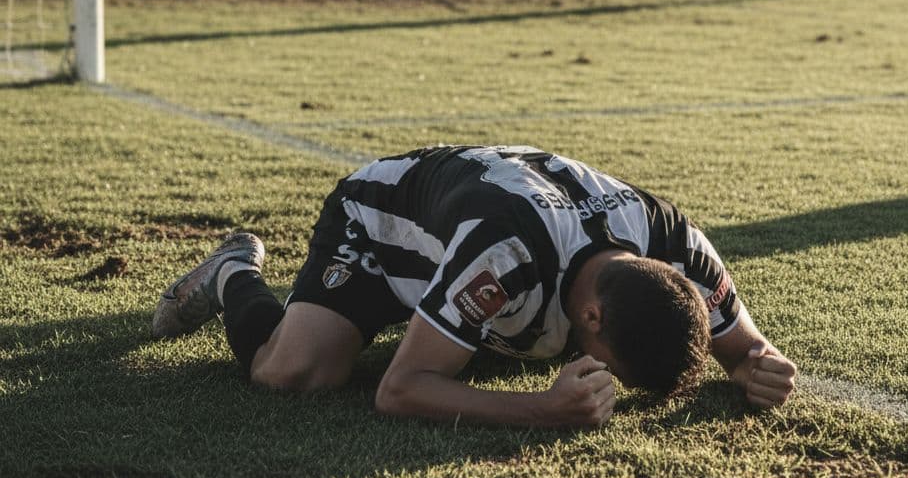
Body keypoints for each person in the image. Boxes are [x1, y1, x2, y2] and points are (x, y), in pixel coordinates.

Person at [152, 144, 796, 427]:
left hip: (484, 227)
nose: (606, 378)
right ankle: (235, 268)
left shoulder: (678, 246)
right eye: (611, 367)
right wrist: (541, 411)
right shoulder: (507, 255)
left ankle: (452, 320)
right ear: (592, 320)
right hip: (383, 223)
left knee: (492, 331)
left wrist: (753, 367)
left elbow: (743, 346)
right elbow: (400, 391)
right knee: (292, 374)